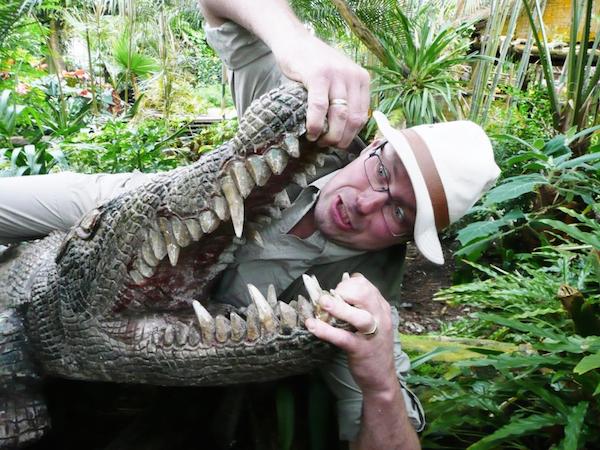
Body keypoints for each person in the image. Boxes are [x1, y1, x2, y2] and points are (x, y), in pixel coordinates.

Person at [0, 1, 501, 448]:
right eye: (383, 172)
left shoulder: (360, 298)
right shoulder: (313, 130)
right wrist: (296, 42)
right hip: (134, 218)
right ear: (373, 146)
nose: (366, 202)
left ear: (406, 238)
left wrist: (381, 384)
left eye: (398, 212)